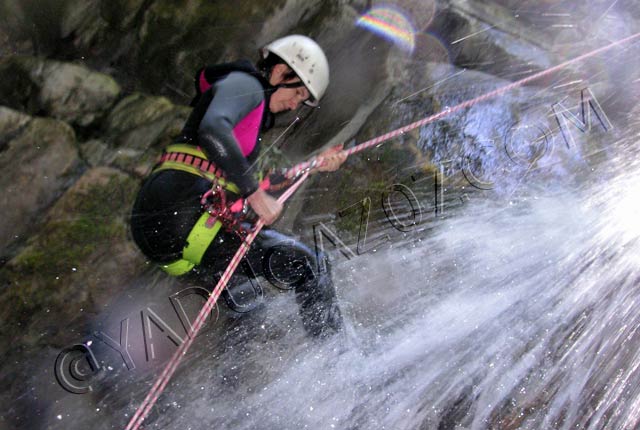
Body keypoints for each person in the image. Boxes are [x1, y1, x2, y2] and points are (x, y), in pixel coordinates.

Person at [130, 35, 347, 338]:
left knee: (248, 305)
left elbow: (257, 185)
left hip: (174, 227)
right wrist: (254, 193)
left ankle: (230, 386)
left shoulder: (249, 119)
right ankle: (338, 359)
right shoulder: (246, 85)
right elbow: (213, 129)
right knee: (308, 263)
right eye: (297, 91)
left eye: (302, 100)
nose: (295, 103)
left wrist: (314, 165)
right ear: (280, 70)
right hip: (180, 209)